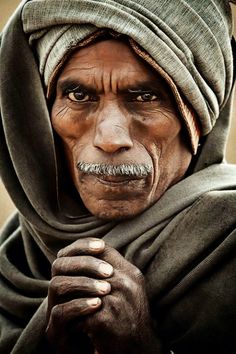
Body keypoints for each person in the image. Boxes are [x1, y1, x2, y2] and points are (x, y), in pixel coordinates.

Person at [0, 0, 236, 353]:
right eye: (79, 95)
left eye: (145, 96)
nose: (110, 138)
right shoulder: (15, 255)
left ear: (198, 117)